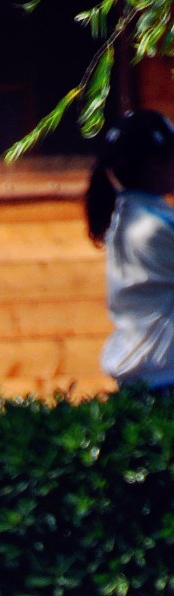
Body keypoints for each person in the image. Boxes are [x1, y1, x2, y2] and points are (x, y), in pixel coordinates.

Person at [87, 110, 174, 390]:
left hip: (146, 374)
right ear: (156, 165)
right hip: (164, 376)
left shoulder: (128, 215)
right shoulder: (152, 227)